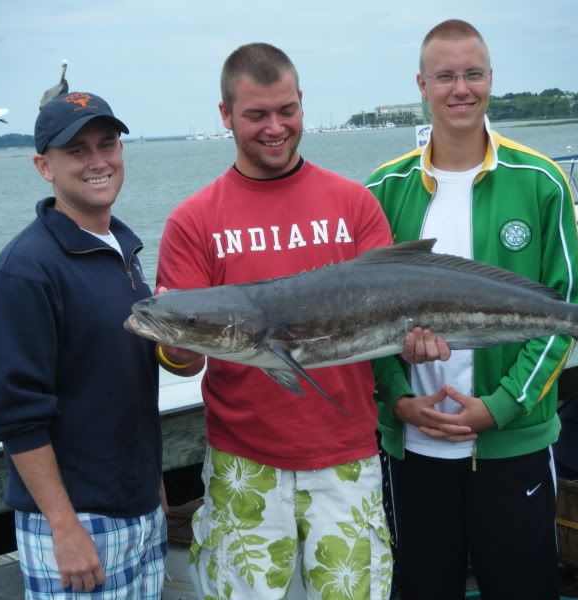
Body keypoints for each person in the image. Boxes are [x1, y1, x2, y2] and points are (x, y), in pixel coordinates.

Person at [154, 42, 397, 599]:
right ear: (225, 116)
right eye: (256, 114)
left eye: (286, 110)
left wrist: (420, 343)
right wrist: (178, 346)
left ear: (302, 103)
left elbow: (393, 323)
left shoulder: (355, 204)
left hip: (348, 456)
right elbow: (182, 361)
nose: (275, 127)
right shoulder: (193, 221)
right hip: (244, 460)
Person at [365, 19, 578, 600]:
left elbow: (564, 310)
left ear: (491, 79)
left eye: (473, 74)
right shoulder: (381, 191)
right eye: (445, 76)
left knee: (523, 588)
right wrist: (400, 399)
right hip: (413, 448)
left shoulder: (540, 182)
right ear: (421, 84)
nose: (460, 89)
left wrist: (501, 406)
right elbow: (359, 320)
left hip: (513, 443)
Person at [0, 91, 168, 599]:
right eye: (77, 150)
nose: (98, 161)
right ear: (44, 166)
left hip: (140, 510)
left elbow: (124, 381)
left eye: (107, 144)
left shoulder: (123, 249)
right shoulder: (25, 271)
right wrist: (63, 526)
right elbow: (13, 413)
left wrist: (152, 485)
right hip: (77, 526)